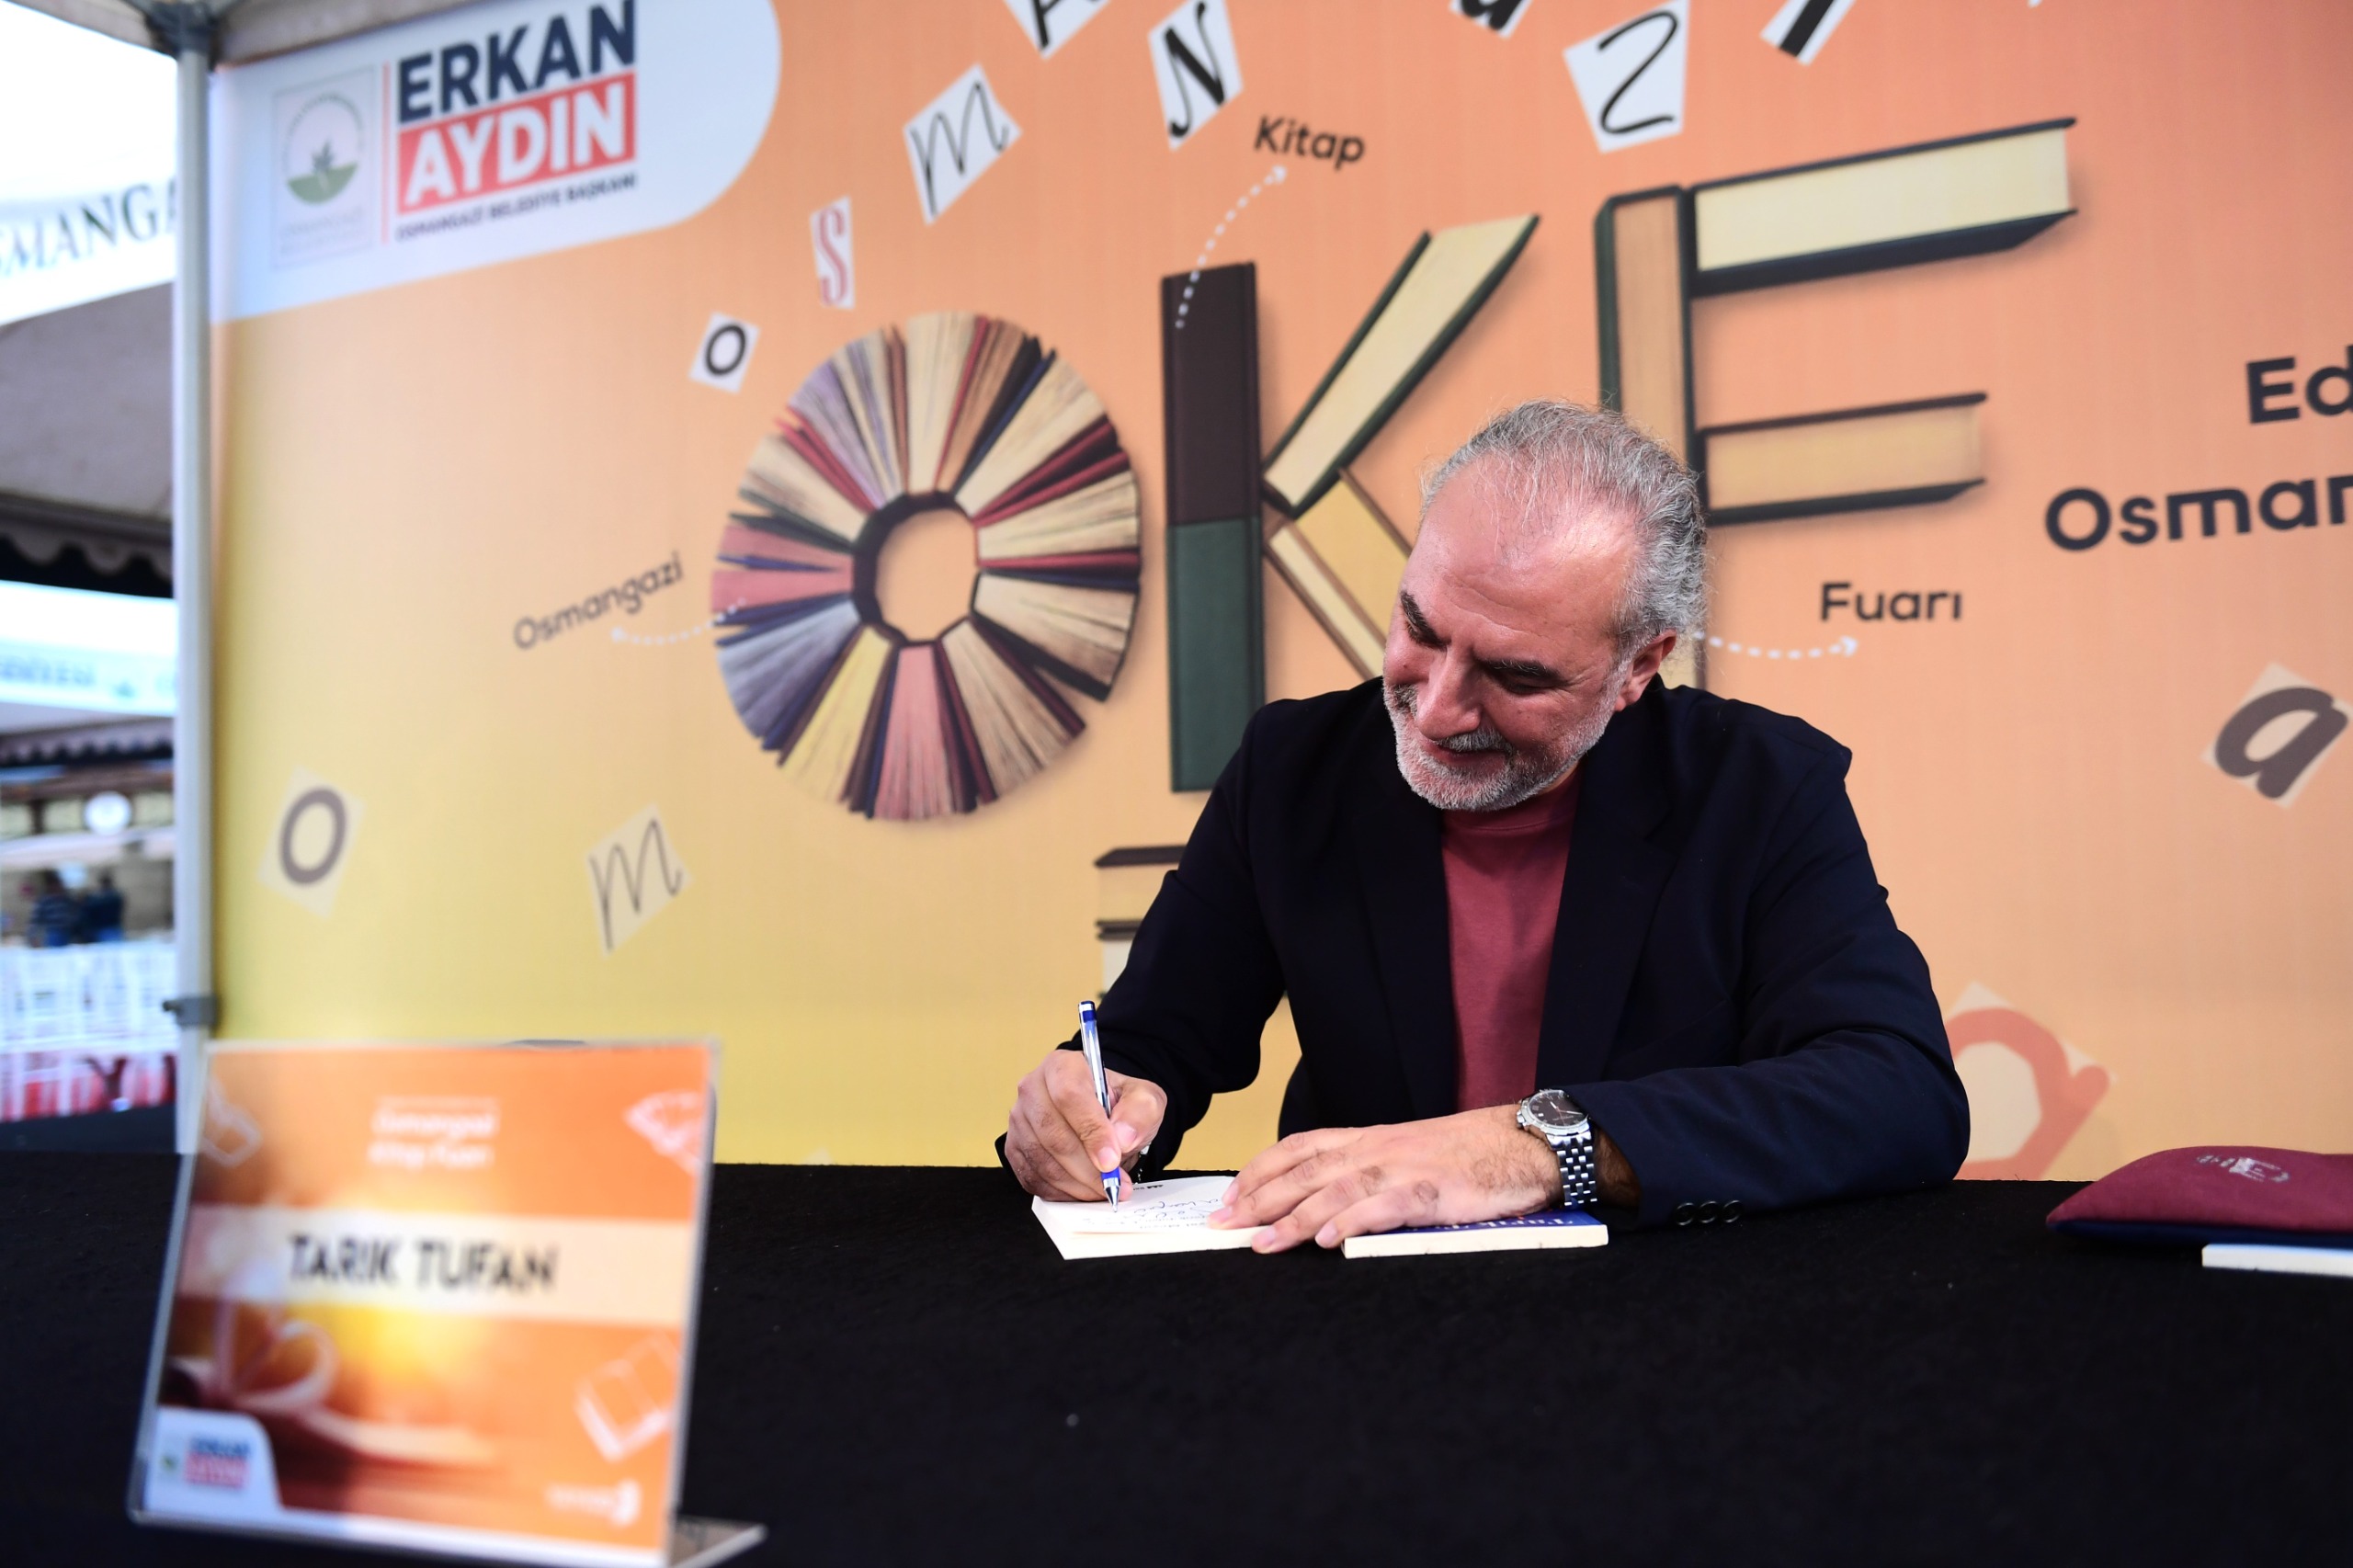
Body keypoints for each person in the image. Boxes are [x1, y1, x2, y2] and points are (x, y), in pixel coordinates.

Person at [1003, 401, 1968, 1249]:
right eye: (1420, 629)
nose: (1435, 710)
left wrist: (1535, 1147)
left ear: (1638, 666)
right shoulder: (1292, 768)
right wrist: (1091, 1107)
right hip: (1351, 1323)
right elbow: (1152, 1041)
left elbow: (1898, 1092)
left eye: (1515, 675)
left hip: (1667, 1323)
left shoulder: (1759, 787)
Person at [28, 870, 80, 949]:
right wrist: (32, 936)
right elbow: (35, 920)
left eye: (58, 884)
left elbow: (75, 913)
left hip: (68, 932)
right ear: (50, 886)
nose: (57, 886)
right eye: (54, 884)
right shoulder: (44, 901)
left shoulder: (66, 899)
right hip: (53, 933)